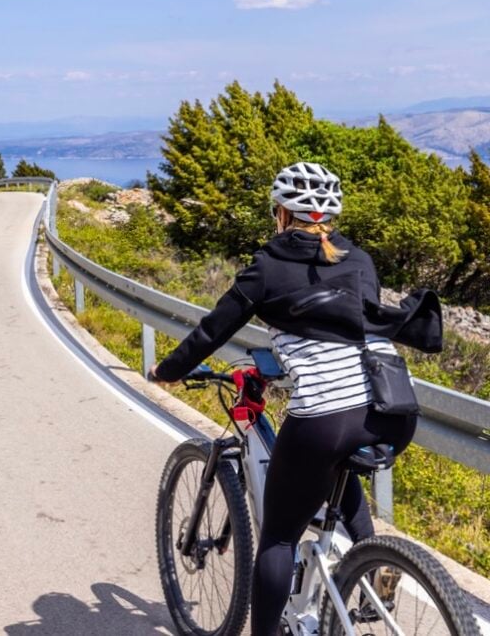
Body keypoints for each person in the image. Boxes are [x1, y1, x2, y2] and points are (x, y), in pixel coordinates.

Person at [150, 161, 442, 636]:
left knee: (278, 539)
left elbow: (211, 331)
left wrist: (167, 371)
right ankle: (370, 560)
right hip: (392, 410)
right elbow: (344, 328)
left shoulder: (267, 265)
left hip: (330, 416)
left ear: (281, 214)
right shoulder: (359, 258)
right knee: (334, 461)